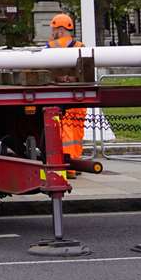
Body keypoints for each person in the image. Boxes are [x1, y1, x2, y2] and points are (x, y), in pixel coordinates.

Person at [47, 13, 87, 177]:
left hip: (59, 95)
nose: (53, 33)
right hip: (79, 97)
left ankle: (67, 166)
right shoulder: (81, 46)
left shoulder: (50, 47)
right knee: (76, 133)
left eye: (54, 29)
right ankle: (74, 164)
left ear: (61, 30)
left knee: (62, 133)